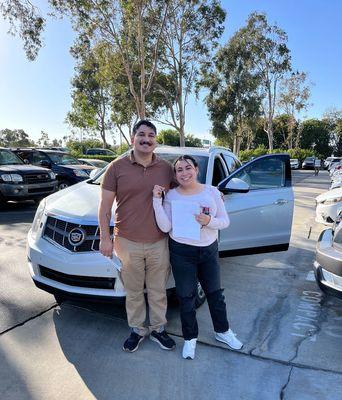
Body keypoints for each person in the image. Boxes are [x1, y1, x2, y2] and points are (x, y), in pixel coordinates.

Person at [152, 155, 243, 360]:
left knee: (215, 294)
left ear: (196, 170)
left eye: (188, 168)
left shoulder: (211, 192)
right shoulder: (172, 196)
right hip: (181, 252)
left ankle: (223, 332)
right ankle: (190, 339)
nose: (184, 173)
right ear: (175, 175)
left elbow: (225, 221)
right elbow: (166, 227)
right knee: (186, 297)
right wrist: (157, 202)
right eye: (179, 170)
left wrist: (209, 220)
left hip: (208, 250)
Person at [98, 120, 176, 353]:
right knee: (133, 291)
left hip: (159, 241)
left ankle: (159, 329)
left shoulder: (166, 168)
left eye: (151, 135)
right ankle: (137, 330)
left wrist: (211, 195)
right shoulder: (116, 167)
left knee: (158, 290)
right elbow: (104, 208)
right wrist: (105, 238)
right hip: (127, 241)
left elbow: (185, 190)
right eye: (141, 134)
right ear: (132, 138)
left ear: (156, 140)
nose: (146, 139)